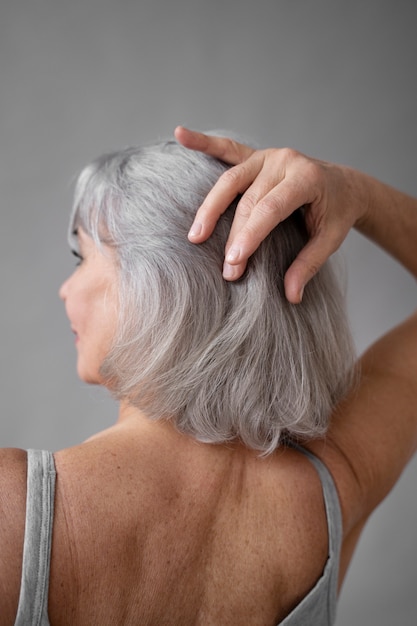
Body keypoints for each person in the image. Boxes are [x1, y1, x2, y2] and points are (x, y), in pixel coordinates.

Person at [0, 128, 415, 626]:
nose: (66, 288)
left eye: (82, 256)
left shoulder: (13, 513)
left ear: (156, 286)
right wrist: (354, 191)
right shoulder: (333, 488)